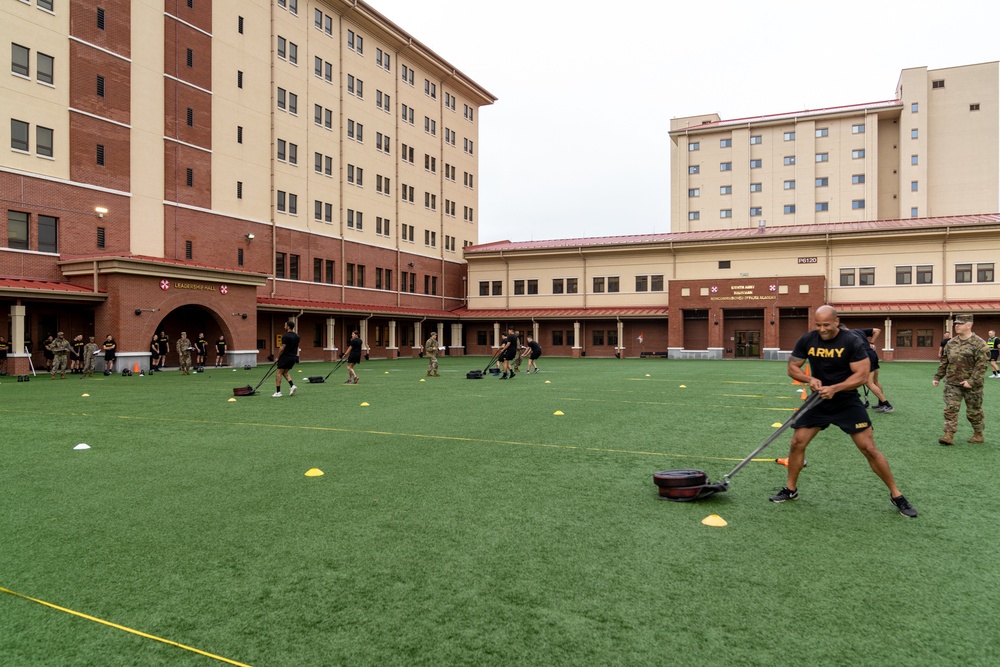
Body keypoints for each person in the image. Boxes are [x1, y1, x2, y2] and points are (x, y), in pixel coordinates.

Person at [772, 305, 917, 518]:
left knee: (868, 448)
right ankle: (790, 489)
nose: (822, 329)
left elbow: (861, 375)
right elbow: (792, 368)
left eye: (826, 325)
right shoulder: (807, 339)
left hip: (846, 401)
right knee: (796, 443)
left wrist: (835, 388)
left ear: (836, 321)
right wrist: (810, 379)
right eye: (818, 325)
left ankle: (896, 495)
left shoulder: (851, 341)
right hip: (818, 400)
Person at [933, 314, 989, 444]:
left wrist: (971, 381)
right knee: (950, 409)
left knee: (974, 412)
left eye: (960, 324)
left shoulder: (980, 344)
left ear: (969, 325)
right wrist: (938, 376)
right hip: (952, 383)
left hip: (973, 385)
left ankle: (978, 434)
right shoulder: (951, 343)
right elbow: (945, 362)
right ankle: (948, 435)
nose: (956, 326)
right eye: (956, 324)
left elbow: (981, 366)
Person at [272, 321, 300, 397]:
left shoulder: (285, 336)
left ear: (288, 326)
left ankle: (278, 392)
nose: (284, 327)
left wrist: (278, 357)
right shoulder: (297, 336)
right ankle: (292, 386)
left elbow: (282, 348)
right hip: (293, 358)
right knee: (284, 372)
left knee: (278, 373)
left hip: (285, 357)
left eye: (285, 325)